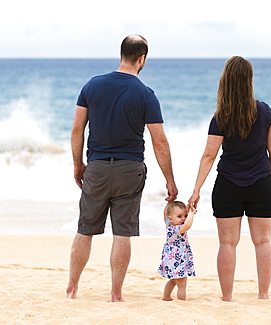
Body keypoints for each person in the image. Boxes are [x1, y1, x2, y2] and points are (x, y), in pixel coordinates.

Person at [66, 35, 178, 302]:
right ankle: (116, 294)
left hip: (98, 167)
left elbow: (76, 129)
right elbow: (159, 141)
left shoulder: (92, 85)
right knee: (122, 233)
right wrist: (170, 180)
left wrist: (77, 164)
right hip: (130, 170)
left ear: (122, 54)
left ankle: (72, 288)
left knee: (85, 229)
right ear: (142, 59)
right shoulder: (145, 94)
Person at [188, 56, 271, 301]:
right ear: (249, 80)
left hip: (228, 185)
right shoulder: (265, 111)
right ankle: (263, 295)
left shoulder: (221, 116)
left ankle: (227, 297)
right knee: (263, 241)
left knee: (227, 243)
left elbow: (209, 155)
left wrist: (196, 189)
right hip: (261, 183)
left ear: (225, 80)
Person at [158, 201, 196, 301]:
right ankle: (181, 302)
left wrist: (169, 202)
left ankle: (166, 296)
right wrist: (191, 214)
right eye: (179, 216)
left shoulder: (169, 225)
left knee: (174, 280)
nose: (183, 218)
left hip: (171, 259)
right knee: (182, 285)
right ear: (171, 218)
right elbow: (187, 225)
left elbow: (165, 214)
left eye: (185, 215)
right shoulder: (177, 229)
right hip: (178, 260)